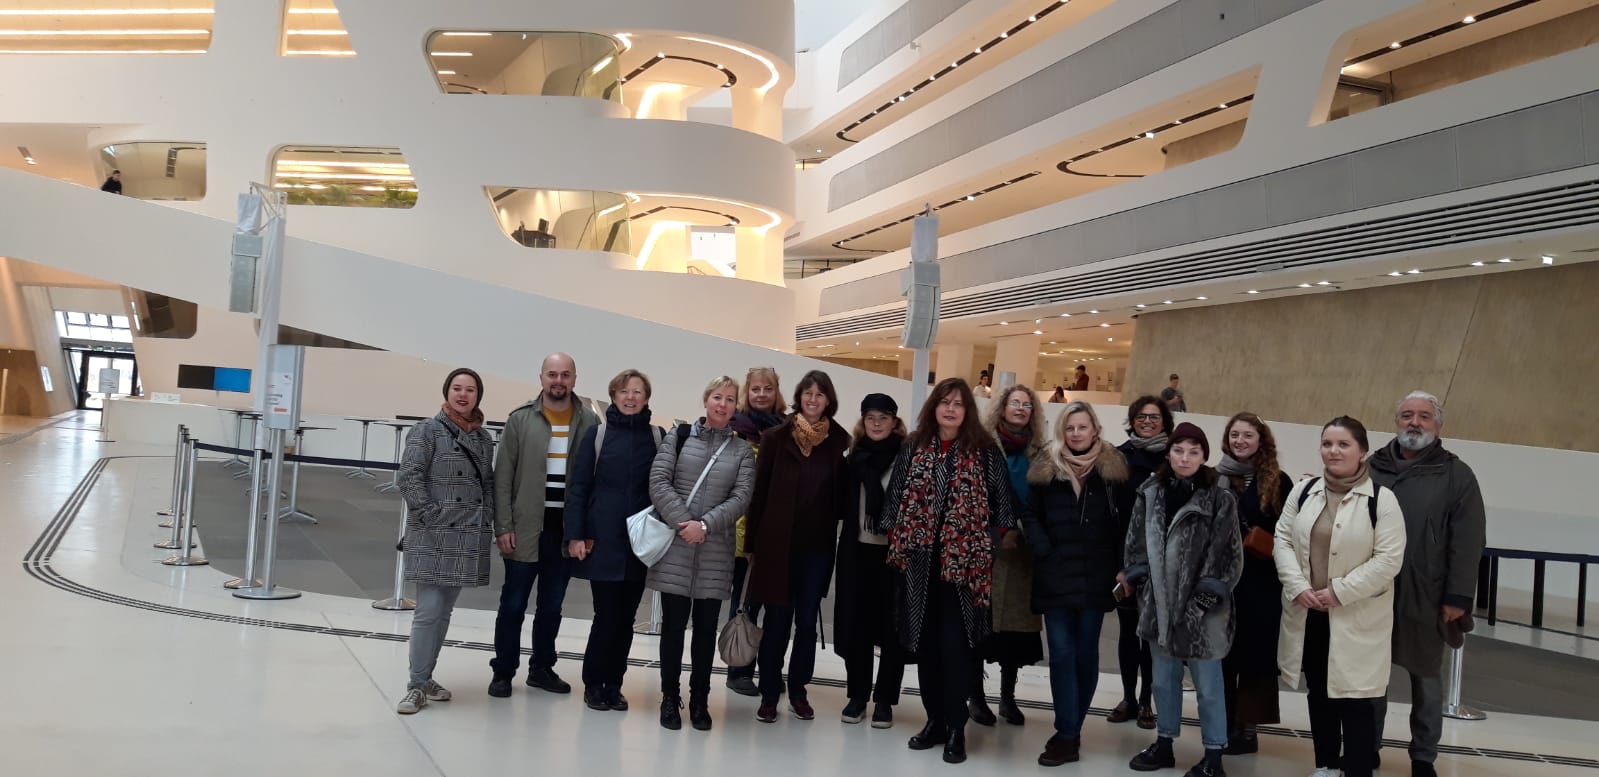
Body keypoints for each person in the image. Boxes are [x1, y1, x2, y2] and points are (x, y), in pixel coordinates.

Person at [876, 377, 1019, 765]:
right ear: (934, 407)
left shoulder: (984, 450)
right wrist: (899, 535)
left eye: (958, 403)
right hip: (919, 564)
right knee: (925, 646)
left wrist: (985, 541)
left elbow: (1004, 504)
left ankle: (957, 727)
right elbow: (895, 497)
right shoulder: (914, 445)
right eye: (944, 402)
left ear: (967, 410)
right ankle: (934, 722)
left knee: (956, 648)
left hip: (964, 570)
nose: (951, 409)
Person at [1275, 416, 1407, 777]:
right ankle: (1327, 764)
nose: (1333, 451)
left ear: (1362, 451)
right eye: (1327, 444)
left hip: (1357, 617)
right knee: (1320, 694)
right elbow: (1282, 539)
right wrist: (1298, 586)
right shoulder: (1304, 492)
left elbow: (1388, 560)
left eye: (1343, 444)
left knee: (1358, 699)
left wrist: (1339, 592)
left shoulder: (1382, 500)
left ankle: (1358, 768)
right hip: (1312, 614)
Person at [1368, 391, 1486, 777]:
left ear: (1438, 425)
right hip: (1374, 592)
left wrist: (1458, 596)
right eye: (1406, 415)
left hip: (1427, 594)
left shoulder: (1457, 475)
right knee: (1371, 677)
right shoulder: (1372, 467)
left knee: (1426, 679)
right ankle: (1367, 746)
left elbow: (1468, 540)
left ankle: (1423, 757)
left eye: (1424, 416)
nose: (1414, 423)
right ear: (1396, 421)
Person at [1124, 422, 1241, 777]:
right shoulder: (1150, 492)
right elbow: (1135, 545)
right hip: (1159, 607)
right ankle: (1164, 744)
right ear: (1169, 453)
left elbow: (1227, 556)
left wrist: (1201, 603)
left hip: (1204, 614)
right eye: (1178, 450)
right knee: (1162, 681)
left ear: (1204, 456)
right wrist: (1144, 586)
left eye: (1193, 452)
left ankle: (1214, 756)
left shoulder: (1219, 498)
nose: (1185, 458)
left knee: (1209, 687)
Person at [1023, 400, 1130, 766]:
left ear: (1095, 429)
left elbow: (1125, 524)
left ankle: (1072, 729)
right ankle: (1067, 733)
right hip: (1055, 574)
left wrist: (1123, 568)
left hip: (1096, 576)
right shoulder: (1045, 468)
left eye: (1082, 427)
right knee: (1061, 654)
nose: (1076, 433)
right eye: (1070, 427)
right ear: (1062, 431)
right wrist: (1043, 551)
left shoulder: (1113, 471)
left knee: (1085, 655)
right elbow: (1030, 515)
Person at [647, 376, 756, 732]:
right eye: (717, 397)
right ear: (706, 400)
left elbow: (741, 497)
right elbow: (659, 482)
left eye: (730, 399)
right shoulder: (677, 438)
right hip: (676, 549)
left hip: (715, 553)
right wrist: (685, 523)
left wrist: (705, 526)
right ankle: (669, 698)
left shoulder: (742, 451)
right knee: (673, 629)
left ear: (735, 406)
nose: (722, 404)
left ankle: (699, 700)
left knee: (706, 631)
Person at [488, 353, 601, 698]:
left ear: (574, 379)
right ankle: (503, 671)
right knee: (513, 604)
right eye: (552, 374)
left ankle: (541, 668)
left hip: (564, 532)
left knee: (551, 607)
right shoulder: (520, 419)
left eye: (565, 374)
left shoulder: (590, 422)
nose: (558, 381)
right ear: (541, 378)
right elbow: (502, 478)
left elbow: (595, 481)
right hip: (525, 528)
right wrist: (503, 526)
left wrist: (585, 532)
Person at [746, 370, 851, 723]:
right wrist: (752, 545)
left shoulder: (837, 442)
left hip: (817, 549)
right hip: (777, 546)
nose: (813, 399)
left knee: (807, 624)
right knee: (777, 621)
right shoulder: (776, 437)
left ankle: (799, 692)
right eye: (808, 393)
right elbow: (759, 494)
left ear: (828, 400)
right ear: (799, 397)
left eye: (820, 394)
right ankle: (769, 693)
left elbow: (841, 499)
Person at [394, 368, 496, 714]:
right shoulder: (427, 430)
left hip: (466, 534)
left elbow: (487, 484)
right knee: (428, 610)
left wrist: (486, 517)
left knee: (444, 611)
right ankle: (416, 684)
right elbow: (409, 477)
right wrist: (431, 515)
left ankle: (425, 679)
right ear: (447, 392)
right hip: (434, 534)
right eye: (457, 388)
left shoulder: (483, 438)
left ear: (478, 396)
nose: (463, 395)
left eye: (470, 390)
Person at [565, 369, 661, 712]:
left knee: (626, 618)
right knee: (605, 615)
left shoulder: (657, 437)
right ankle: (594, 683)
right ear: (614, 396)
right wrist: (575, 535)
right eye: (624, 391)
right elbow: (578, 488)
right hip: (603, 539)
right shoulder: (598, 434)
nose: (630, 397)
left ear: (646, 398)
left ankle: (614, 684)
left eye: (637, 392)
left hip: (640, 542)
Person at [1215, 413, 1294, 756]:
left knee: (1254, 658)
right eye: (1235, 434)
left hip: (1261, 581)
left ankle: (1247, 728)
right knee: (1222, 656)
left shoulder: (1278, 481)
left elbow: (1289, 533)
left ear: (1261, 440)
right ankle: (1222, 721)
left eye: (1248, 435)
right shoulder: (1214, 477)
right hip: (1222, 581)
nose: (1240, 441)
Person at [969, 384, 1046, 728]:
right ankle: (975, 696)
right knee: (978, 625)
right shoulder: (981, 446)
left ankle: (1007, 697)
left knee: (1014, 632)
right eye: (1015, 403)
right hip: (985, 549)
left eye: (1027, 405)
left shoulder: (1041, 452)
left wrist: (1024, 530)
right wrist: (997, 532)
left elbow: (1042, 500)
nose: (1020, 409)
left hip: (1022, 553)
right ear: (1001, 407)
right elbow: (972, 495)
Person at [833, 394, 908, 729]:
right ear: (863, 422)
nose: (877, 424)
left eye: (883, 417)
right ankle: (858, 696)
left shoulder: (907, 458)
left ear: (895, 422)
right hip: (857, 552)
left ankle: (885, 701)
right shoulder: (853, 459)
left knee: (892, 630)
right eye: (870, 418)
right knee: (857, 627)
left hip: (894, 556)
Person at [1110, 395, 1173, 730]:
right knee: (1127, 631)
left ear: (1165, 421)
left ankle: (1147, 700)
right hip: (1126, 558)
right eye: (1141, 416)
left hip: (1161, 562)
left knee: (1151, 635)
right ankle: (1128, 698)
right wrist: (1119, 563)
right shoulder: (1119, 458)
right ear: (1132, 420)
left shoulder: (1174, 457)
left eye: (1154, 416)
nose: (1147, 422)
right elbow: (1112, 514)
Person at [725, 367, 787, 695]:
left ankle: (770, 670)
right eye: (756, 389)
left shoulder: (788, 429)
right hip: (741, 534)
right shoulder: (736, 429)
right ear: (747, 393)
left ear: (777, 392)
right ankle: (739, 669)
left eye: (768, 388)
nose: (761, 394)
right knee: (744, 603)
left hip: (778, 534)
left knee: (776, 607)